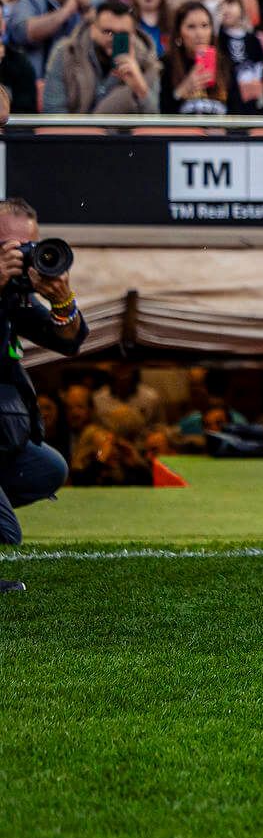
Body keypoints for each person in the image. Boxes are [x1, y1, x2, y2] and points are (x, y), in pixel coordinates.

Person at [0, 198, 85, 564]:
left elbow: (68, 342)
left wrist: (63, 301)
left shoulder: (14, 296)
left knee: (47, 469)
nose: (22, 256)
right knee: (6, 537)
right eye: (10, 247)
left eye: (29, 247)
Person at [43, 0, 159, 112]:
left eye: (123, 34)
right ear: (93, 29)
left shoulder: (147, 62)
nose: (114, 39)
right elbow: (54, 111)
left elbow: (154, 117)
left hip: (122, 126)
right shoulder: (67, 53)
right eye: (108, 32)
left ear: (133, 34)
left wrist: (140, 88)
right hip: (74, 124)